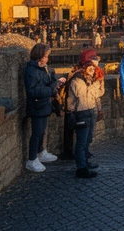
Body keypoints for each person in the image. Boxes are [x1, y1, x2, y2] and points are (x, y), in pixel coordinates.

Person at [23, 43, 64, 173]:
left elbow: (50, 80)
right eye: (45, 56)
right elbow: (32, 91)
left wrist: (56, 82)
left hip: (44, 104)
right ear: (39, 56)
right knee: (36, 133)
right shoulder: (31, 70)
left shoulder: (45, 68)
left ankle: (41, 152)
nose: (47, 59)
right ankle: (32, 159)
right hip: (36, 105)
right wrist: (51, 89)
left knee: (42, 131)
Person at [67, 49, 106, 178]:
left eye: (94, 68)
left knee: (88, 140)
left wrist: (99, 81)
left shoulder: (92, 78)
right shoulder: (77, 80)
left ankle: (85, 162)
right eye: (90, 67)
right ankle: (81, 168)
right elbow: (83, 94)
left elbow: (99, 93)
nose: (93, 70)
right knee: (81, 142)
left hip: (91, 110)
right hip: (81, 112)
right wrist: (95, 84)